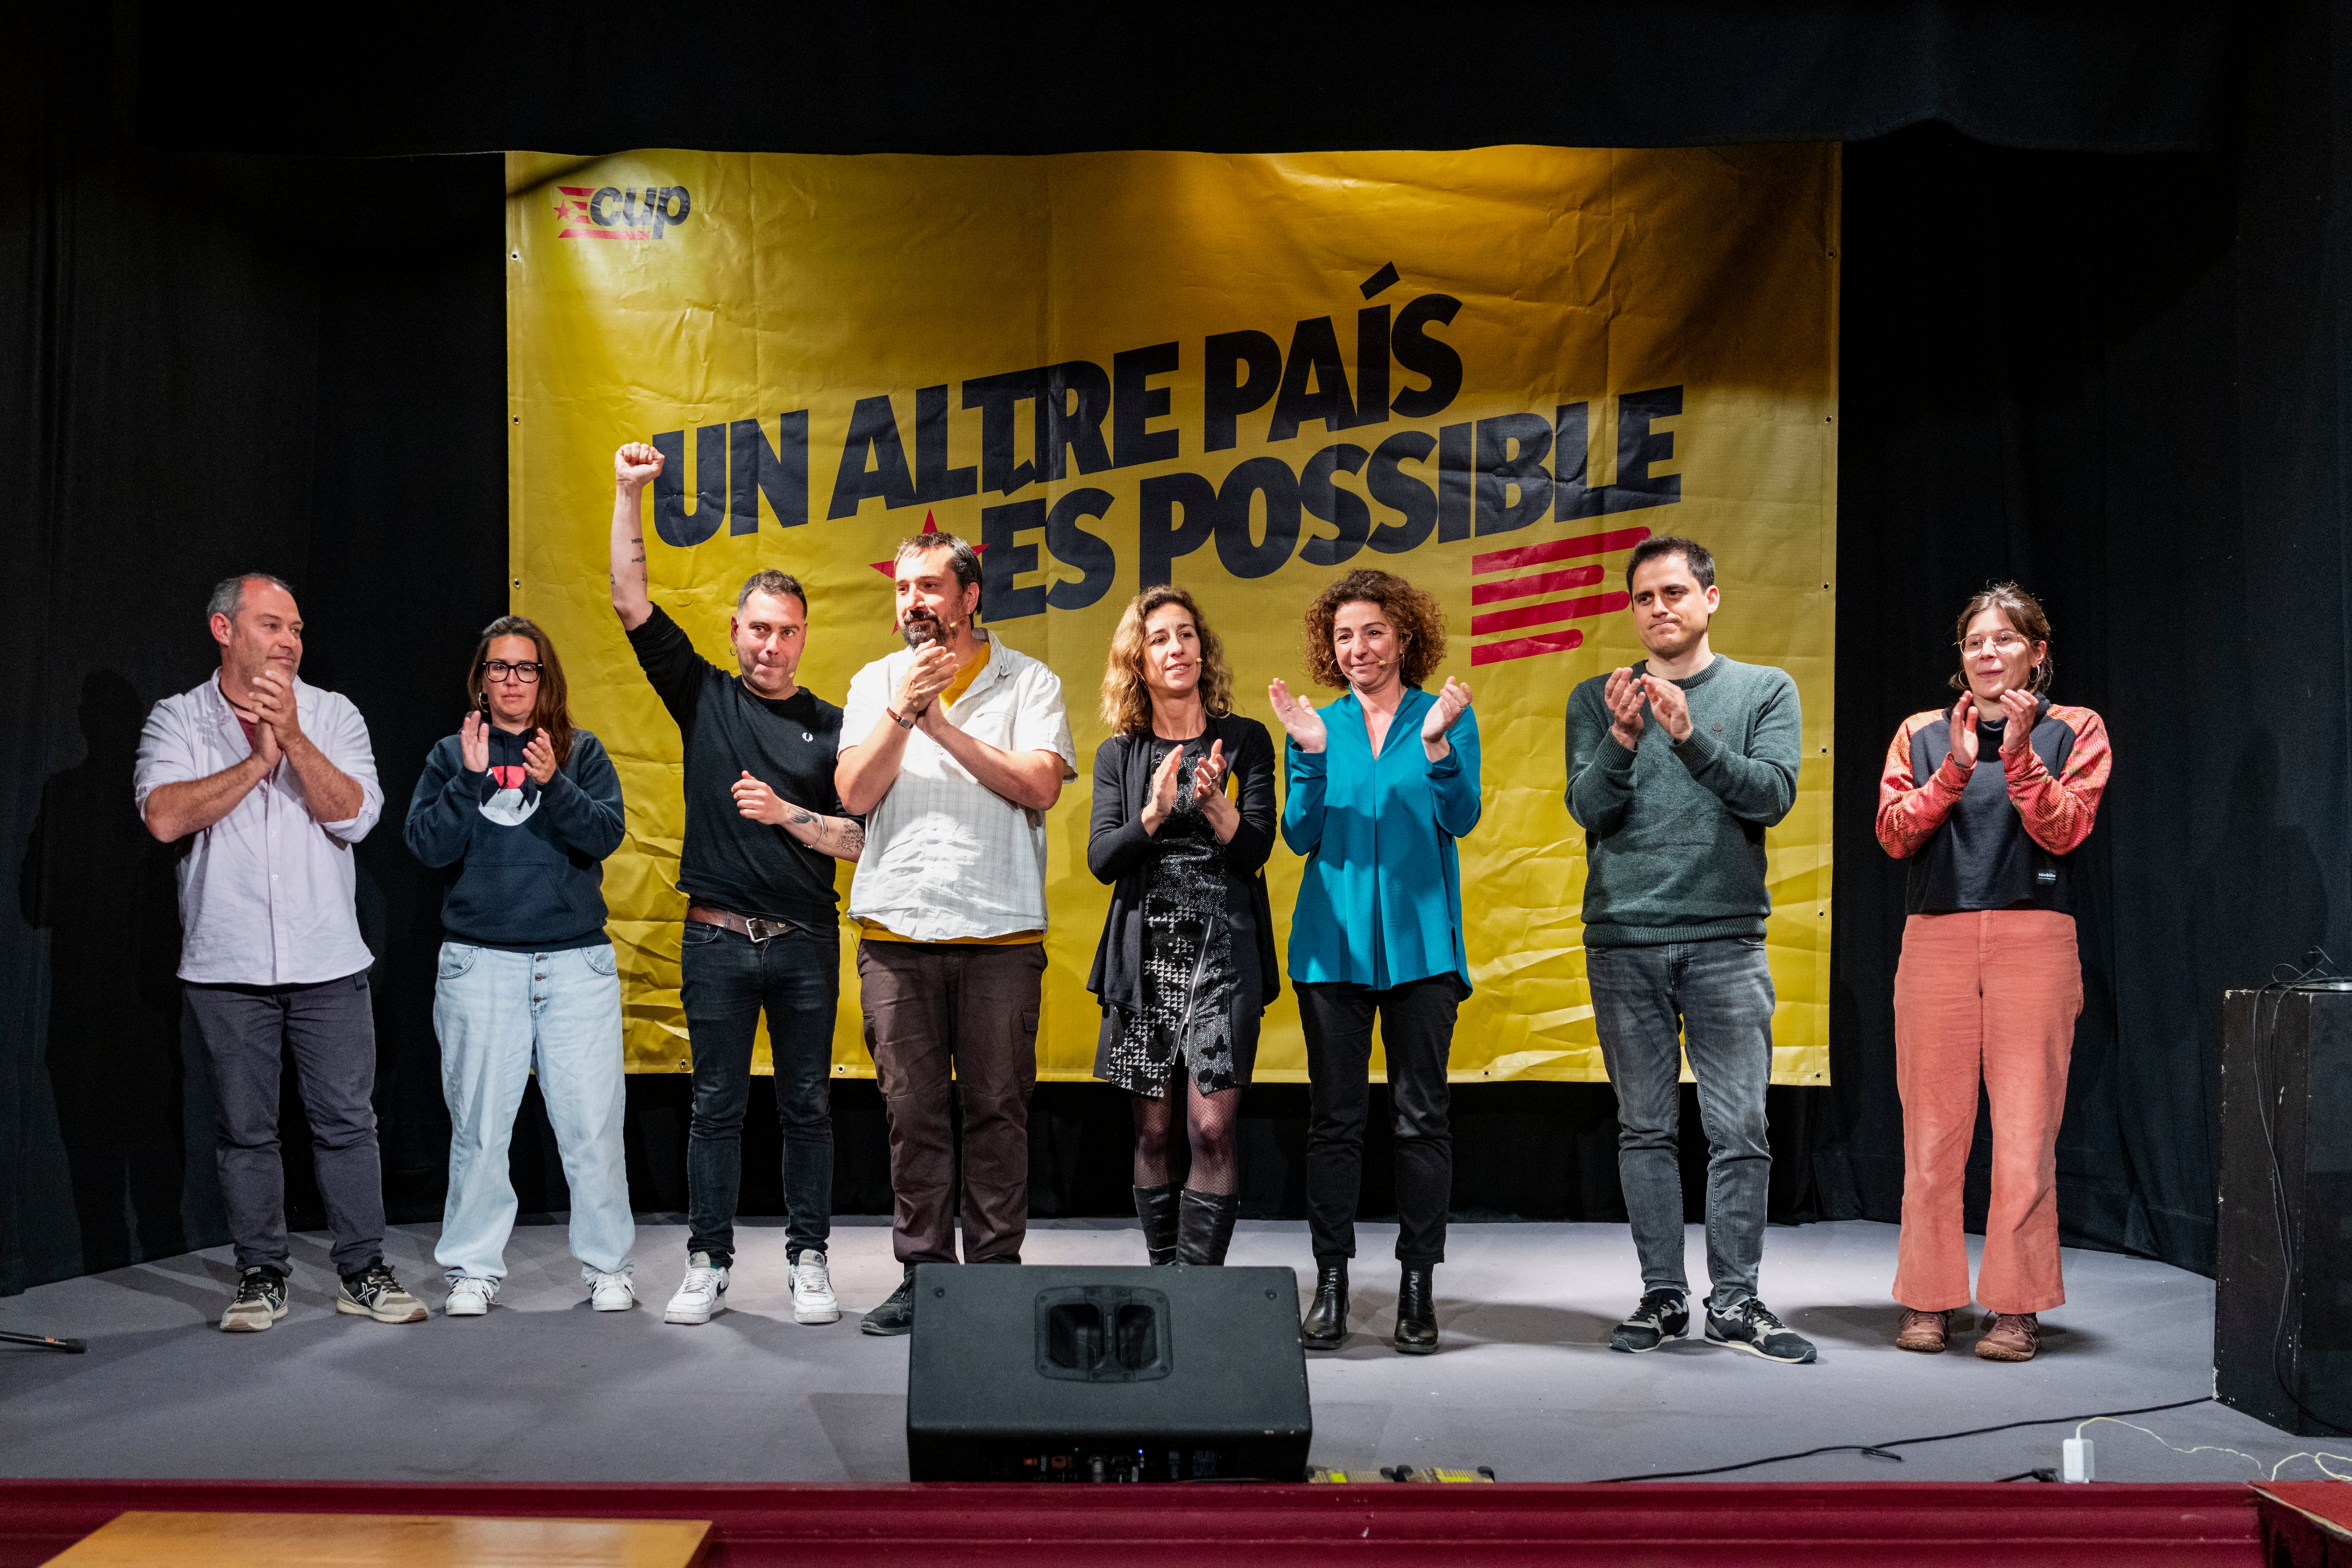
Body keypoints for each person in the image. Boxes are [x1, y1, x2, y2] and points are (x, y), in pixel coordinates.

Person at [610, 441, 867, 1328]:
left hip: (803, 943)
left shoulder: (835, 727)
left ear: (804, 635)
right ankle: (707, 1260)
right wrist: (626, 493)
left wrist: (787, 814)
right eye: (758, 627)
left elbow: (860, 843)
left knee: (807, 1107)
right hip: (715, 936)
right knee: (714, 1105)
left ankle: (809, 1259)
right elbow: (629, 599)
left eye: (787, 629)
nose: (772, 643)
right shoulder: (704, 696)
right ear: (735, 632)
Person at [135, 573, 424, 1332]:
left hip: (327, 960)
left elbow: (356, 817)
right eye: (272, 625)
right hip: (225, 964)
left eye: (297, 628)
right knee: (246, 1129)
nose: (290, 641)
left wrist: (291, 739)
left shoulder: (332, 713)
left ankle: (363, 1269)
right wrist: (256, 765)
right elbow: (164, 817)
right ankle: (261, 1274)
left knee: (346, 1122)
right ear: (224, 631)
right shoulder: (177, 718)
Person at [1564, 535, 1810, 1363]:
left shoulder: (1764, 689)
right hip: (1625, 941)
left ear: (1711, 598)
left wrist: (1692, 736)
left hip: (1726, 942)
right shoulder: (1597, 699)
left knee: (1740, 1128)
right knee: (1645, 1129)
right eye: (1644, 597)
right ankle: (1664, 1294)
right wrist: (1626, 738)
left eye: (1674, 591)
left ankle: (1735, 1301)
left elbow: (1773, 795)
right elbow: (1588, 808)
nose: (1659, 608)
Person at [835, 531, 1076, 1336]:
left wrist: (940, 727)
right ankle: (926, 1274)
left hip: (999, 929)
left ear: (971, 596)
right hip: (897, 930)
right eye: (904, 588)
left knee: (999, 1110)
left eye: (931, 586)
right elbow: (854, 790)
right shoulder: (875, 682)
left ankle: (996, 1275)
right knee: (913, 1113)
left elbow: (1039, 784)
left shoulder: (1028, 681)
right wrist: (907, 710)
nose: (915, 602)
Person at [1875, 583, 2110, 1363]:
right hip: (1936, 939)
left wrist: (2016, 755)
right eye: (1975, 640)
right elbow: (1894, 834)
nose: (1987, 652)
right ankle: (1929, 1299)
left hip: (2032, 936)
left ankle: (2015, 1307)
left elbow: (2068, 828)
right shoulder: (1921, 732)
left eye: (2005, 639)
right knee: (1934, 1133)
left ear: (2036, 654)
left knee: (2023, 1133)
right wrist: (1955, 770)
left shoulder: (2075, 729)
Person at [1268, 568, 1478, 1355]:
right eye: (1344, 635)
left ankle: (1418, 1284)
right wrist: (1312, 756)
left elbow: (1462, 814)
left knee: (1423, 1119)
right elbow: (1297, 833)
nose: (1358, 647)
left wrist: (1438, 750)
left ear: (1405, 637)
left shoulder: (1445, 715)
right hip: (1333, 952)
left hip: (1423, 948)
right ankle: (1331, 1280)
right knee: (1336, 1122)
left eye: (1374, 632)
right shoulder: (1317, 724)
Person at [404, 615, 636, 1316]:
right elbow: (426, 845)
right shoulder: (453, 753)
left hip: (574, 964)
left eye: (525, 668)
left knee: (592, 1125)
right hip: (482, 964)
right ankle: (472, 1268)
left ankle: (609, 1266)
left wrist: (555, 783)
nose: (512, 680)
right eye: (499, 668)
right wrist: (470, 782)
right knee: (479, 1127)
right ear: (482, 679)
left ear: (545, 679)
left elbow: (606, 833)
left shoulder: (581, 750)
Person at [1086, 587, 1279, 1267]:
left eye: (1187, 634)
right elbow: (1101, 859)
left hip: (1222, 960)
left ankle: (1200, 1294)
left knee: (1212, 1129)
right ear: (1138, 659)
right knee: (1153, 1134)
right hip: (1145, 966)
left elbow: (1256, 851)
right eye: (1161, 638)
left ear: (1204, 648)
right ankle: (1163, 1278)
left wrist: (1216, 806)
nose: (1177, 648)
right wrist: (1155, 812)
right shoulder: (1121, 754)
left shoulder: (1248, 739)